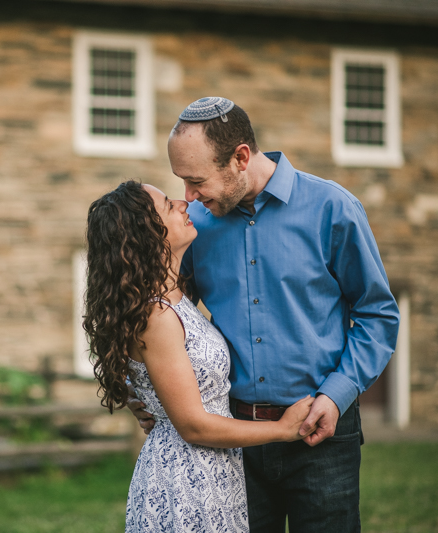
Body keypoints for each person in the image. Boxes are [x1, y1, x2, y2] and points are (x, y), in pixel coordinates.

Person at [128, 97, 401, 532]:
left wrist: (336, 394)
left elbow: (378, 314)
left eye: (196, 181)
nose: (189, 197)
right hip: (234, 441)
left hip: (323, 435)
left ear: (240, 158)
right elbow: (161, 313)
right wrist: (144, 391)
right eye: (182, 183)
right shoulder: (196, 227)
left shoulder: (333, 209)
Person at [84, 180, 316, 533]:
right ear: (145, 234)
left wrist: (141, 394)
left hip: (213, 469)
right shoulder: (157, 316)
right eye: (167, 204)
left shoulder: (175, 297)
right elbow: (193, 425)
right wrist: (282, 430)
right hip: (186, 478)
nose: (182, 203)